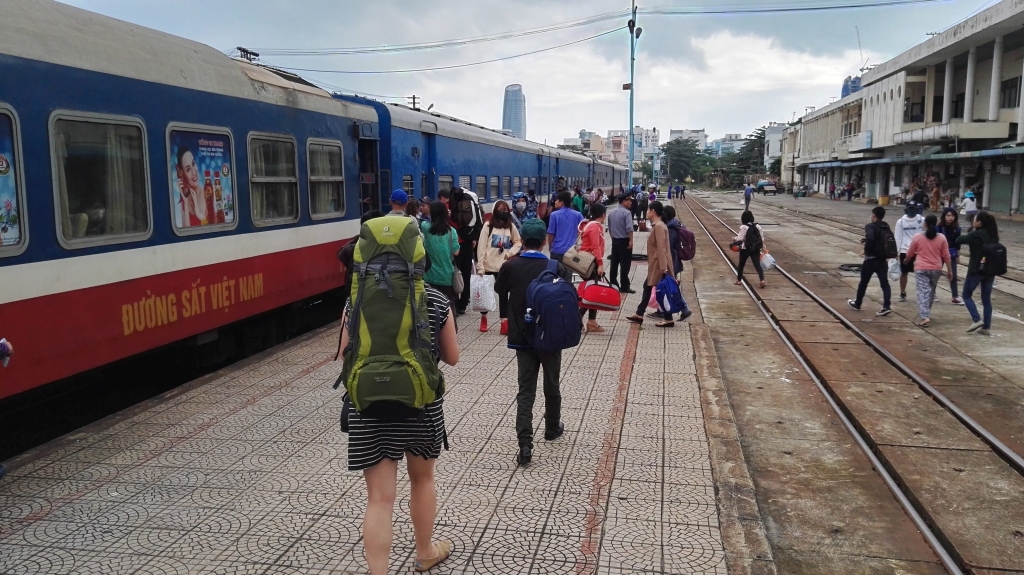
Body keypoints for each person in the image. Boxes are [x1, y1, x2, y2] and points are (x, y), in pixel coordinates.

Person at [338, 271, 459, 574]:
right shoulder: (435, 298)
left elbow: (342, 354)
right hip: (422, 407)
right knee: (422, 480)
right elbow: (452, 356)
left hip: (369, 408)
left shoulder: (356, 299)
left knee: (379, 499)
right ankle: (424, 552)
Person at [494, 219, 570, 466]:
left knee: (526, 391)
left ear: (523, 241)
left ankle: (525, 445)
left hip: (522, 337)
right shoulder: (556, 267)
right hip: (550, 338)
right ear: (545, 241)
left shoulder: (510, 266)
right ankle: (551, 428)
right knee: (552, 384)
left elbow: (500, 290)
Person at [626, 201, 676, 327]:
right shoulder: (659, 225)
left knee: (661, 290)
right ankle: (640, 314)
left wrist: (663, 267)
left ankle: (668, 319)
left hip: (659, 265)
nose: (647, 212)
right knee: (648, 287)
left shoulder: (659, 226)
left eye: (648, 210)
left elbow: (661, 248)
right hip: (657, 264)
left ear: (653, 211)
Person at [476, 200, 522, 333]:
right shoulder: (488, 226)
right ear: (495, 211)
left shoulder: (510, 227)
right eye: (500, 209)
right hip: (488, 266)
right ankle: (484, 318)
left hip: (503, 267)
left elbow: (518, 242)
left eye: (505, 209)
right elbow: (481, 247)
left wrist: (509, 253)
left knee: (503, 294)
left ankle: (504, 322)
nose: (503, 212)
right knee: (486, 294)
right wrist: (480, 266)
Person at [904, 215, 952, 327]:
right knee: (930, 292)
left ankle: (925, 316)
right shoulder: (942, 238)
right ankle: (926, 313)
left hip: (921, 268)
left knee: (922, 292)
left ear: (924, 223)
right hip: (936, 269)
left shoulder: (918, 237)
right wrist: (950, 270)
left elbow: (910, 252)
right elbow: (946, 255)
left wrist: (907, 259)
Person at [956, 211, 999, 335]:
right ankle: (986, 327)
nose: (973, 221)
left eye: (974, 220)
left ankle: (976, 320)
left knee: (966, 295)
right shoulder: (993, 235)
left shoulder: (975, 235)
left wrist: (971, 231)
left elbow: (959, 240)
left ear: (979, 223)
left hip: (976, 269)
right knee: (986, 299)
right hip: (990, 270)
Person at [848, 206, 894, 316]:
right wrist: (866, 239)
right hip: (882, 259)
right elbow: (881, 239)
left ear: (873, 215)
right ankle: (886, 306)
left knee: (863, 282)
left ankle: (857, 303)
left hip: (871, 259)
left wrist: (865, 249)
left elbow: (872, 238)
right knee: (885, 284)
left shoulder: (870, 226)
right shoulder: (885, 226)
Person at [652, 205, 693, 324]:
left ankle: (683, 310)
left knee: (670, 287)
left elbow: (666, 248)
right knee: (669, 286)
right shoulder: (672, 226)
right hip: (673, 262)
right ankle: (664, 310)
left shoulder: (670, 230)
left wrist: (663, 264)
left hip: (671, 262)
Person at [337, 210, 385, 305]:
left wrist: (357, 237)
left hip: (358, 298)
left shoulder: (353, 248)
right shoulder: (388, 246)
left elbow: (341, 253)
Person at [421, 201, 461, 311]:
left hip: (429, 275)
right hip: (447, 276)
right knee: (448, 307)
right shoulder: (451, 231)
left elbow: (420, 220)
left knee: (431, 308)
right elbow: (456, 252)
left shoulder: (425, 227)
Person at [578, 202, 608, 333]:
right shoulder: (595, 227)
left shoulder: (589, 225)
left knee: (592, 291)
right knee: (592, 292)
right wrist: (600, 264)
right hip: (591, 263)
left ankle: (591, 321)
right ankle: (579, 319)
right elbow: (595, 247)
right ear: (603, 214)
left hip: (587, 262)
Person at [895, 202, 925, 302]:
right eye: (910, 209)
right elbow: (898, 237)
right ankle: (902, 292)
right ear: (906, 210)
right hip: (905, 250)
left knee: (921, 273)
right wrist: (897, 251)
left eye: (913, 209)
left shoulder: (922, 220)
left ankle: (922, 293)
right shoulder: (901, 222)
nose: (912, 211)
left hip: (919, 251)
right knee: (904, 273)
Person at [608, 192, 635, 293]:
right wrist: (631, 241)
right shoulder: (627, 213)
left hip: (615, 241)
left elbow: (610, 229)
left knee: (614, 263)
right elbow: (629, 228)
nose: (631, 202)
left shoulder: (611, 213)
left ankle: (613, 284)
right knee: (625, 264)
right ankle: (624, 286)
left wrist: (614, 239)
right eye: (629, 200)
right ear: (624, 201)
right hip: (624, 241)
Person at [546, 190, 585, 261]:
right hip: (572, 250)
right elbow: (585, 229)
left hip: (557, 250)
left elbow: (551, 234)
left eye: (556, 200)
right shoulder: (577, 215)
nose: (555, 202)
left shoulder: (554, 215)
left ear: (562, 203)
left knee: (556, 268)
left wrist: (550, 247)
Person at [732, 210, 766, 289]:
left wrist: (734, 238)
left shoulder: (744, 227)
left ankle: (739, 280)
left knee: (741, 264)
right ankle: (762, 280)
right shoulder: (758, 226)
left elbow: (740, 238)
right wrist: (763, 247)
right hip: (755, 248)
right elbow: (761, 238)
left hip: (745, 249)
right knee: (757, 264)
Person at [174, 146, 208, 226]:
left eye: (193, 163)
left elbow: (211, 226)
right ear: (183, 174)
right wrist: (186, 203)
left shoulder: (207, 192)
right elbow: (186, 230)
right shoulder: (184, 198)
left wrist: (198, 213)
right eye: (188, 169)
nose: (194, 172)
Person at [937, 208, 963, 305]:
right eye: (948, 215)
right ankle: (932, 293)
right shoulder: (939, 228)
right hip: (939, 253)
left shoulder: (957, 228)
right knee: (935, 274)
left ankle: (955, 296)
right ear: (944, 216)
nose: (950, 218)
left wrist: (958, 255)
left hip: (951, 253)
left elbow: (958, 243)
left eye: (952, 216)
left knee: (953, 275)